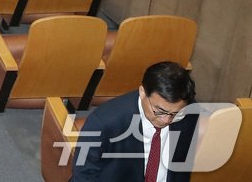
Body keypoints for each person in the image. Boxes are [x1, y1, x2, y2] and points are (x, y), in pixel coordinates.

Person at [70, 61, 199, 181]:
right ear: (142, 92)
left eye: (175, 114)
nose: (167, 120)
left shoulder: (188, 113)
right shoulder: (103, 123)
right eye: (159, 110)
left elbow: (181, 165)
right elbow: (83, 176)